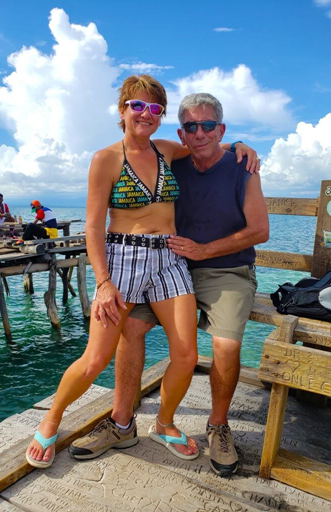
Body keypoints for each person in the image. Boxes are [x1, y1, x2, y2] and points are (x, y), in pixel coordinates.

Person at [69, 92, 269, 478]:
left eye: (208, 125)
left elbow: (260, 230)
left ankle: (217, 426)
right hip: (171, 266)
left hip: (225, 269)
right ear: (181, 132)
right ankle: (122, 423)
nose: (200, 133)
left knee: (225, 344)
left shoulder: (243, 167)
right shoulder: (168, 161)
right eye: (191, 126)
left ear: (220, 129)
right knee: (131, 326)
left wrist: (204, 249)